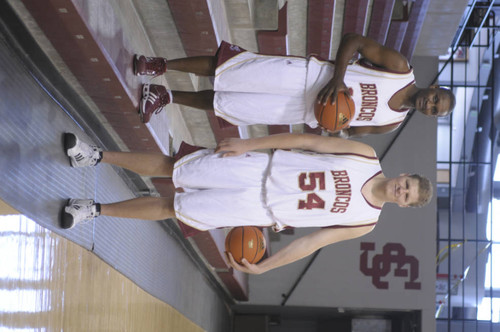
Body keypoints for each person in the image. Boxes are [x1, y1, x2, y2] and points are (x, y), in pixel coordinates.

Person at [61, 132, 433, 274]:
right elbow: (308, 140)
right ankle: (94, 156)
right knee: (174, 167)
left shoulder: (366, 222)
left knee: (174, 208)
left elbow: (311, 242)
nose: (401, 190)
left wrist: (267, 267)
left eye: (406, 196)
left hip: (259, 211)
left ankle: (93, 210)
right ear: (404, 175)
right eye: (407, 184)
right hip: (259, 168)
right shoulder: (366, 155)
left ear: (403, 205)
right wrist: (248, 144)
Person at [134, 33, 455, 137]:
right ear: (433, 89)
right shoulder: (400, 69)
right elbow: (354, 40)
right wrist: (339, 78)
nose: (430, 106)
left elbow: (350, 129)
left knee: (228, 104)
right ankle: (160, 66)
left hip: (301, 109)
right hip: (308, 77)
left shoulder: (391, 124)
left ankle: (166, 96)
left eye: (434, 112)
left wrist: (334, 121)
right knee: (232, 69)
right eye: (435, 101)